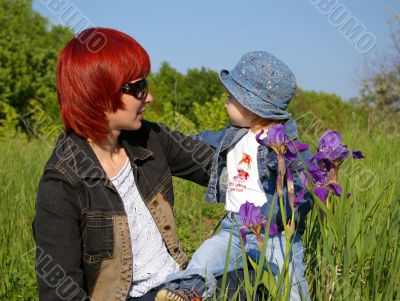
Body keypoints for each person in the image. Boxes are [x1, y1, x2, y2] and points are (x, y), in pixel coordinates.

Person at [33, 27, 218, 301]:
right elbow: (61, 293)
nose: (150, 97)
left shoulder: (148, 138)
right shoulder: (61, 183)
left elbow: (216, 165)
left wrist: (272, 155)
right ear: (99, 94)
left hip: (179, 283)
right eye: (139, 88)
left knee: (252, 270)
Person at [156, 51, 314, 301]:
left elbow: (304, 189)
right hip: (234, 228)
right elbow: (199, 141)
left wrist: (289, 214)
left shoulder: (285, 145)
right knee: (204, 258)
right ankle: (184, 292)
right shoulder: (233, 134)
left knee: (292, 285)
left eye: (231, 97)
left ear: (251, 104)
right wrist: (166, 145)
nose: (225, 101)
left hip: (274, 234)